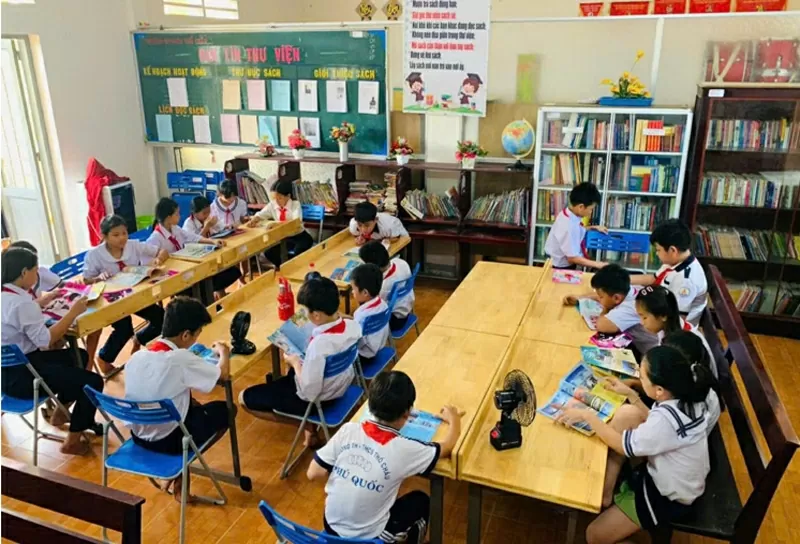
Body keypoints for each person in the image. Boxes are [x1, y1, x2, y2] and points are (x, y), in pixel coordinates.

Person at [558, 346, 716, 544]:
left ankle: (610, 498)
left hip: (669, 497)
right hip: (677, 479)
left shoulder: (666, 420)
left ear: (659, 390)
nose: (638, 380)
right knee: (628, 414)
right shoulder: (684, 398)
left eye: (641, 377)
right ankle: (606, 493)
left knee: (594, 535)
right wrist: (631, 395)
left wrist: (587, 416)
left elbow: (622, 445)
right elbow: (659, 428)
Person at [308, 371, 463, 542]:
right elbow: (447, 447)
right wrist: (454, 420)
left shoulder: (348, 430)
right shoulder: (404, 448)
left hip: (331, 525)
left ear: (371, 405)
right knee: (421, 501)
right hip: (369, 537)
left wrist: (351, 476)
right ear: (407, 413)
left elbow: (313, 473)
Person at [124, 296, 232, 500]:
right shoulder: (179, 359)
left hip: (139, 437)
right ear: (185, 335)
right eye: (197, 334)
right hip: (170, 441)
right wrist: (223, 352)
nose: (197, 340)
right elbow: (223, 375)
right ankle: (180, 469)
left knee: (187, 402)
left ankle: (177, 476)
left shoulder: (137, 357)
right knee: (225, 410)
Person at [1, 247, 104, 455]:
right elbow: (46, 340)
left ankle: (60, 413)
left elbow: (18, 316)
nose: (37, 274)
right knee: (93, 381)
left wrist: (42, 302)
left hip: (7, 374)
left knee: (80, 356)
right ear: (24, 273)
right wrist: (73, 312)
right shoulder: (22, 303)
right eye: (35, 270)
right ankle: (72, 441)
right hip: (26, 377)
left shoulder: (8, 296)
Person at [239, 277, 361, 447]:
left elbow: (309, 393)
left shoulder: (320, 346)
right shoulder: (353, 326)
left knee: (244, 398)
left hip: (318, 399)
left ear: (317, 315)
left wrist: (295, 362)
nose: (305, 314)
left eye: (307, 311)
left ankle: (306, 424)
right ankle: (307, 428)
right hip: (342, 385)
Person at [83, 215, 168, 376]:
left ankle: (140, 339)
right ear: (104, 236)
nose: (122, 238)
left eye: (124, 233)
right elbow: (86, 280)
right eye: (116, 235)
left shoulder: (133, 245)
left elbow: (162, 251)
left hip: (135, 295)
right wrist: (97, 278)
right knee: (124, 327)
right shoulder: (94, 255)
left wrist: (157, 260)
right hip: (112, 300)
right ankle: (104, 358)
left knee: (161, 317)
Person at [147, 197, 240, 299]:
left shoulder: (175, 228)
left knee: (215, 276)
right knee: (204, 284)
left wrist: (212, 241)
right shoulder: (155, 238)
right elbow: (150, 264)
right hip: (174, 276)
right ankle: (209, 304)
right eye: (177, 214)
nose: (179, 216)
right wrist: (159, 260)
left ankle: (213, 302)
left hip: (186, 268)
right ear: (169, 218)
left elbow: (192, 237)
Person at [563, 264, 657, 356]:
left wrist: (606, 307)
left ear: (616, 298)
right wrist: (580, 297)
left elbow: (601, 325)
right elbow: (606, 295)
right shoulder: (627, 290)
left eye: (601, 297)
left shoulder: (630, 307)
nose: (599, 299)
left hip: (650, 356)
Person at [630, 219, 707, 326]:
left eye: (658, 250)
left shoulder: (686, 280)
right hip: (660, 306)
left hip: (674, 326)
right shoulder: (675, 261)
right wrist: (623, 279)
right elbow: (653, 279)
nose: (656, 254)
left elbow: (673, 315)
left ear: (672, 250)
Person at [635, 285, 715, 374]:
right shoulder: (669, 327)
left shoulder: (681, 344)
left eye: (644, 317)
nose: (641, 322)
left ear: (663, 316)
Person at [247, 178, 314, 266]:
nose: (276, 201)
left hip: (299, 236)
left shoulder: (295, 204)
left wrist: (277, 224)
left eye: (280, 198)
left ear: (288, 196)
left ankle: (294, 266)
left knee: (299, 251)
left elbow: (296, 222)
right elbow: (262, 214)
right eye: (274, 198)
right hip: (282, 237)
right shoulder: (272, 205)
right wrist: (255, 219)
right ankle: (285, 266)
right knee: (269, 252)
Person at [544, 182, 607, 270]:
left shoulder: (568, 213)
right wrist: (599, 264)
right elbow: (572, 258)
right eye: (591, 209)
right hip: (560, 267)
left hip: (562, 262)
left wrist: (592, 227)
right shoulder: (568, 226)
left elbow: (576, 229)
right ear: (581, 207)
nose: (591, 212)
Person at [359, 241, 415, 331]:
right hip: (406, 307)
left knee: (362, 296)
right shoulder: (400, 262)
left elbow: (377, 307)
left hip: (395, 320)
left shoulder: (384, 287)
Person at [350, 263, 390, 364]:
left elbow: (354, 340)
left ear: (365, 293)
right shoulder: (383, 304)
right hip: (379, 347)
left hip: (364, 356)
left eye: (353, 289)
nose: (352, 292)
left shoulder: (361, 315)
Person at [8, 240, 62, 306]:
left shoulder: (40, 272)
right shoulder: (8, 292)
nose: (37, 266)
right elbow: (23, 309)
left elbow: (62, 284)